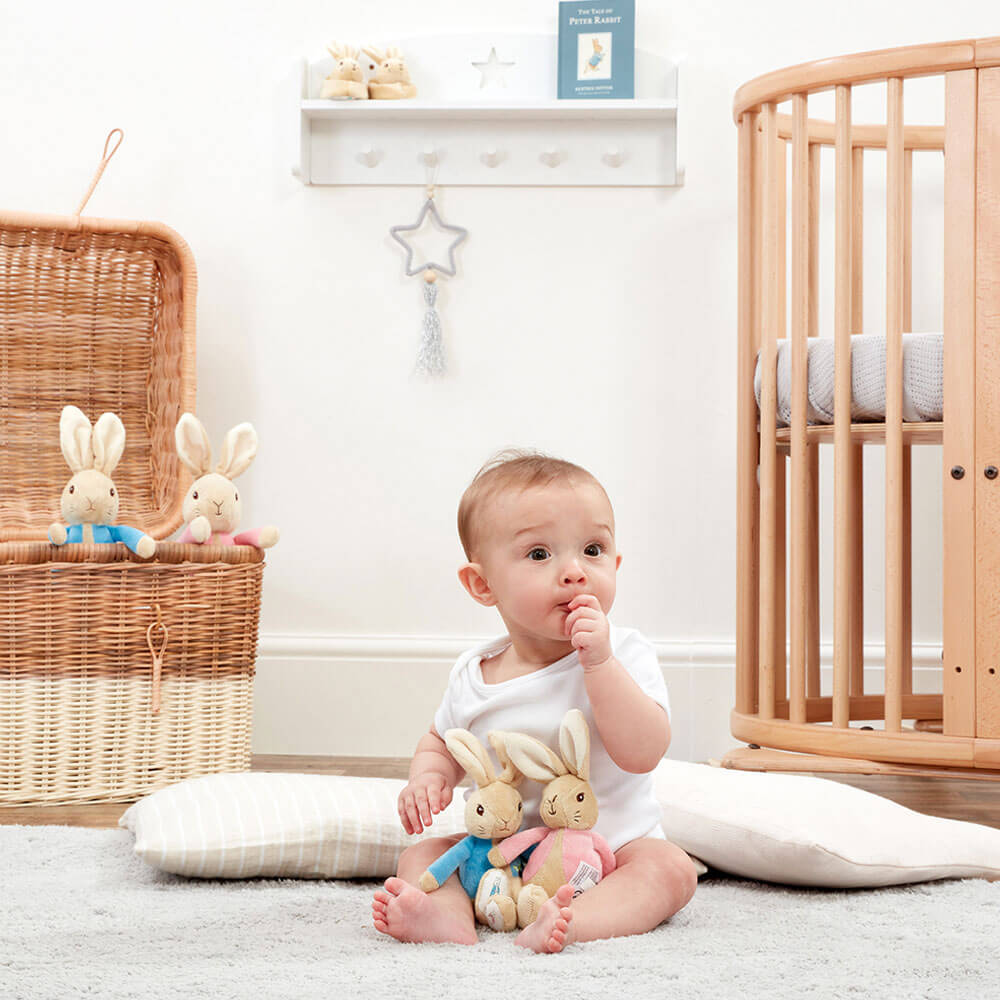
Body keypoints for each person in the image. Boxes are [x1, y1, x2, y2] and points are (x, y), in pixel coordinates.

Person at [372, 451, 697, 953]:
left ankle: (573, 919)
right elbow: (441, 739)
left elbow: (643, 752)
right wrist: (428, 778)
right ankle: (444, 916)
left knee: (670, 869)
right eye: (540, 555)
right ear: (482, 584)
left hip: (607, 855)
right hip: (503, 858)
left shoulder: (625, 651)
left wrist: (599, 665)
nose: (574, 571)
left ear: (615, 562)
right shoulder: (474, 674)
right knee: (423, 856)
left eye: (592, 549)